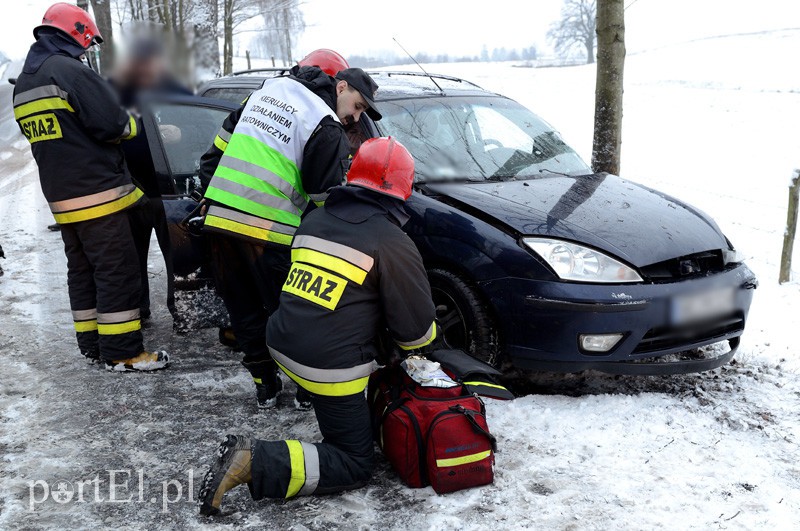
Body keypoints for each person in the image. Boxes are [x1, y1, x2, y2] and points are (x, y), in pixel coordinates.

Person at [198, 137, 438, 515]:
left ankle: (338, 410)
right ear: (401, 192)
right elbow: (416, 331)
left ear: (352, 177)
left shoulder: (314, 219)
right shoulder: (392, 241)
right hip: (326, 366)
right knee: (354, 461)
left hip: (281, 341)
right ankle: (253, 460)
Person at [196, 58, 382, 410]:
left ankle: (264, 386)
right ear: (341, 86)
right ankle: (305, 389)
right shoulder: (324, 123)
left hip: (220, 223)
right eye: (357, 106)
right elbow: (324, 198)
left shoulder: (269, 89)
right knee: (294, 314)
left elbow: (217, 149)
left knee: (244, 310)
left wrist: (209, 194)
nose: (356, 117)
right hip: (269, 232)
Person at [12, 2, 169, 371]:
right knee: (117, 271)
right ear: (77, 34)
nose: (86, 52)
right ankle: (124, 353)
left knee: (82, 272)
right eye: (86, 44)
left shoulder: (26, 83)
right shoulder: (69, 71)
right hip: (100, 198)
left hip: (63, 202)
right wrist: (134, 125)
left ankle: (93, 345)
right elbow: (114, 125)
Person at [109, 32, 193, 322]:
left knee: (179, 259)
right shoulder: (114, 93)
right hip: (130, 190)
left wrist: (182, 133)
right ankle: (138, 311)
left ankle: (181, 310)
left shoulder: (175, 91)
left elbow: (198, 127)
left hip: (171, 191)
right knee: (131, 259)